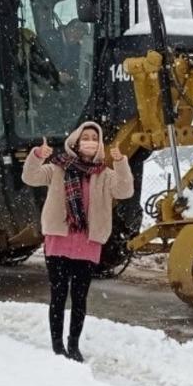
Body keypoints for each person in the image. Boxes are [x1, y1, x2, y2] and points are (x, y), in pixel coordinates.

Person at [21, 121, 134, 362]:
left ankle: (73, 345)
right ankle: (57, 346)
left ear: (99, 143)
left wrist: (121, 163)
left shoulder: (105, 174)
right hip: (59, 240)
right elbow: (30, 177)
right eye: (86, 137)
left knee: (80, 299)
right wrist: (38, 156)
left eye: (94, 137)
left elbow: (125, 191)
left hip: (87, 243)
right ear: (76, 141)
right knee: (58, 295)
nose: (90, 141)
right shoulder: (57, 168)